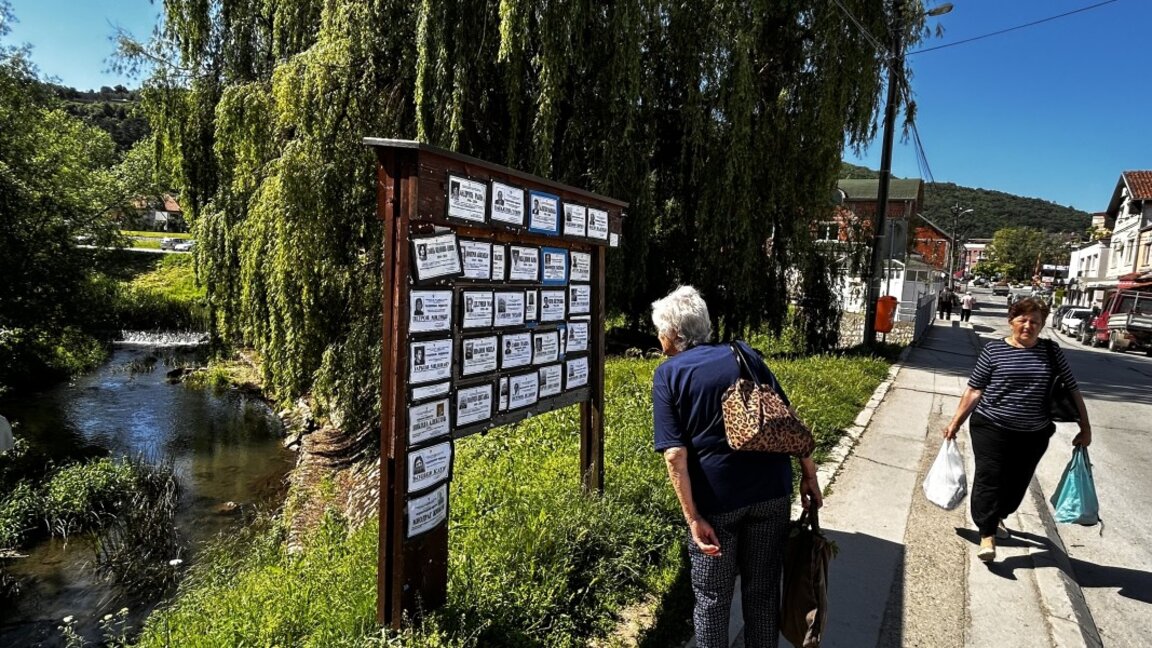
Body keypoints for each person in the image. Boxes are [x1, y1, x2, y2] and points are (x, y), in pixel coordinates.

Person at [651, 285, 822, 648]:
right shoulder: (742, 353)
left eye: (660, 330)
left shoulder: (668, 375)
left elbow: (674, 456)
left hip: (717, 505)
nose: (659, 337)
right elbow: (788, 420)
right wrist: (810, 475)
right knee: (762, 593)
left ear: (674, 334)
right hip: (771, 492)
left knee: (713, 600)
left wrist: (693, 518)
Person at [942, 298, 1092, 563]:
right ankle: (987, 534)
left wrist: (1085, 426)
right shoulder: (993, 351)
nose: (1028, 326)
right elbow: (974, 390)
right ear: (1011, 321)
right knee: (990, 478)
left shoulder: (1052, 352)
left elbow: (1072, 389)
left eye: (1035, 321)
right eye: (1023, 319)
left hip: (1034, 433)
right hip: (991, 427)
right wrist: (955, 422)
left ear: (1042, 325)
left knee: (1016, 484)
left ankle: (999, 516)